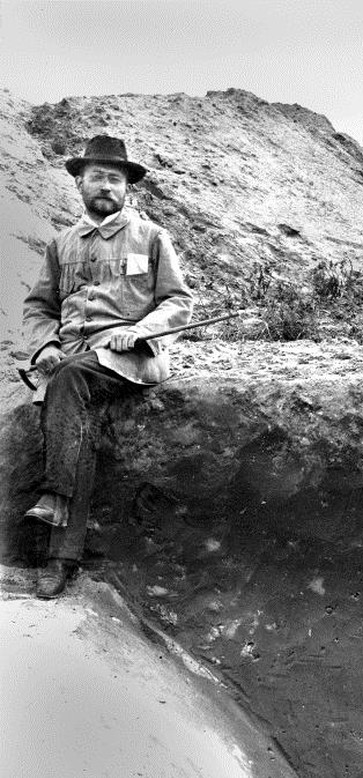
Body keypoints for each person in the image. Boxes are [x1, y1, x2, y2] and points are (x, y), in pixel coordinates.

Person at [20, 134, 194, 598]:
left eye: (114, 179)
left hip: (130, 359)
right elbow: (38, 308)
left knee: (70, 381)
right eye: (96, 176)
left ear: (127, 188)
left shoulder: (152, 237)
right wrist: (45, 347)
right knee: (71, 407)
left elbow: (177, 301)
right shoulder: (61, 244)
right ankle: (61, 559)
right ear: (79, 183)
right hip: (75, 363)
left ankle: (54, 499)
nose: (105, 186)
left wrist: (140, 331)